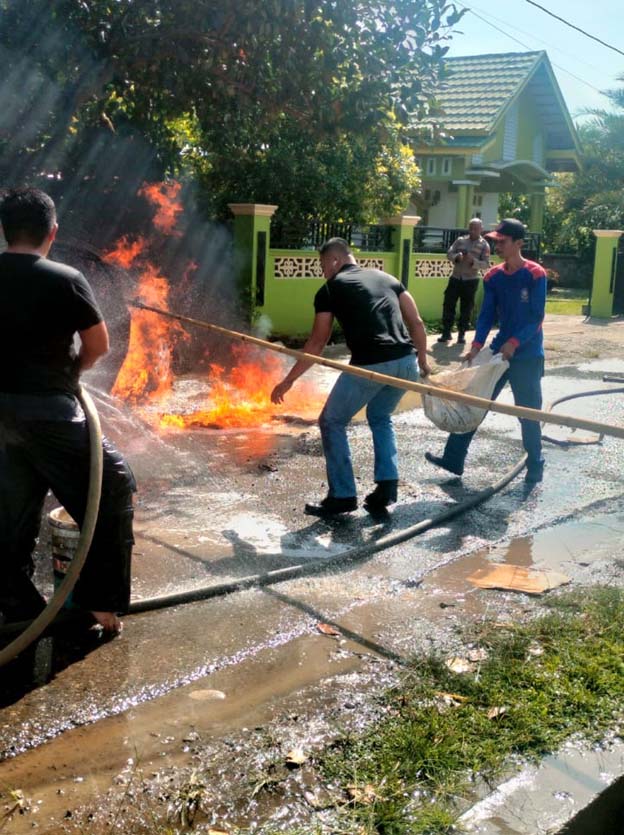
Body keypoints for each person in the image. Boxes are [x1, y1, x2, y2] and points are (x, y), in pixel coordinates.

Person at [0, 188, 136, 633]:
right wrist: (72, 374)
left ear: (4, 231)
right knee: (114, 486)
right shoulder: (66, 278)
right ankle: (101, 603)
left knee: (13, 514)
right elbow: (98, 346)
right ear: (52, 232)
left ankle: (18, 605)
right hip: (51, 414)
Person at [270, 237, 431, 515]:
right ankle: (387, 486)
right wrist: (423, 360)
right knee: (380, 416)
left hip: (370, 365)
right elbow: (415, 322)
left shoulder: (329, 290)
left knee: (331, 421)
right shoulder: (388, 278)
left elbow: (318, 343)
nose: (323, 272)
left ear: (335, 260)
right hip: (406, 362)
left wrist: (289, 380)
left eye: (323, 265)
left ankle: (343, 495)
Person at [425, 218, 546, 484]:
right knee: (474, 402)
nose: (497, 245)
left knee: (528, 411)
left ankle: (535, 464)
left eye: (502, 241)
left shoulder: (536, 274)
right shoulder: (493, 276)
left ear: (518, 243)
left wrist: (515, 342)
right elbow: (486, 314)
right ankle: (453, 459)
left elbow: (536, 318)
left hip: (527, 355)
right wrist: (477, 345)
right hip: (498, 350)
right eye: (496, 241)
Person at [437, 218, 490, 345]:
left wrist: (473, 261)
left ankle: (461, 334)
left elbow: (486, 264)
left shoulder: (484, 245)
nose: (472, 231)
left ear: (481, 229)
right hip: (455, 278)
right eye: (471, 228)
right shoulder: (460, 241)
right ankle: (446, 332)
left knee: (466, 308)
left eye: (476, 228)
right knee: (448, 304)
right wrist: (457, 256)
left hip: (470, 280)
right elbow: (449, 253)